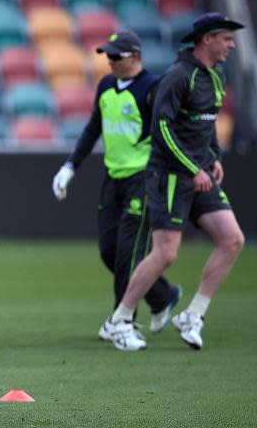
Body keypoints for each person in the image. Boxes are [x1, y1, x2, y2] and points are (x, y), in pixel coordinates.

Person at [107, 13, 245, 351]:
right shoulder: (177, 76)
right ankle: (119, 320)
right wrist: (192, 168)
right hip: (169, 175)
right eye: (226, 38)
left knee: (232, 240)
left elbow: (206, 122)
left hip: (198, 174)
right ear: (206, 39)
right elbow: (162, 129)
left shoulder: (215, 75)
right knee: (166, 254)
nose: (231, 44)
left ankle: (193, 315)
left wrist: (212, 157)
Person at [51, 31, 182, 350]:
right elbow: (94, 128)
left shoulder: (152, 88)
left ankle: (123, 322)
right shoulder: (107, 86)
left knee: (128, 253)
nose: (108, 61)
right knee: (110, 251)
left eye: (115, 56)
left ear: (135, 57)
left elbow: (168, 132)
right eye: (107, 56)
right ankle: (163, 295)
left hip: (143, 178)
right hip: (114, 178)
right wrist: (70, 167)